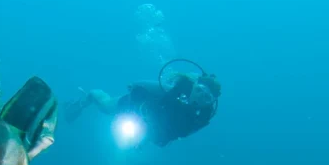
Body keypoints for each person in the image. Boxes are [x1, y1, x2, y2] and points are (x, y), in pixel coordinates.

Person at [64, 61, 221, 147]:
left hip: (154, 127)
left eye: (206, 97)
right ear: (194, 85)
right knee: (106, 106)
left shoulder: (201, 118)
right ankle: (85, 99)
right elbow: (141, 84)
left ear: (210, 103)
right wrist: (134, 89)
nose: (200, 97)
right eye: (200, 90)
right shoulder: (172, 90)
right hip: (138, 106)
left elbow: (183, 133)